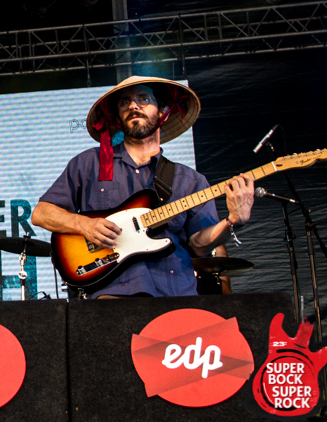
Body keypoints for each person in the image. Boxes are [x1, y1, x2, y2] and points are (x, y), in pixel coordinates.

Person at [31, 75, 253, 298]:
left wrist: (233, 220)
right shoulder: (89, 163)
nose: (133, 105)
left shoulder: (190, 180)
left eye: (143, 99)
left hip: (174, 294)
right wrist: (83, 225)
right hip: (110, 294)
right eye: (124, 102)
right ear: (117, 115)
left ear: (162, 111)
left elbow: (199, 244)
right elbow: (41, 214)